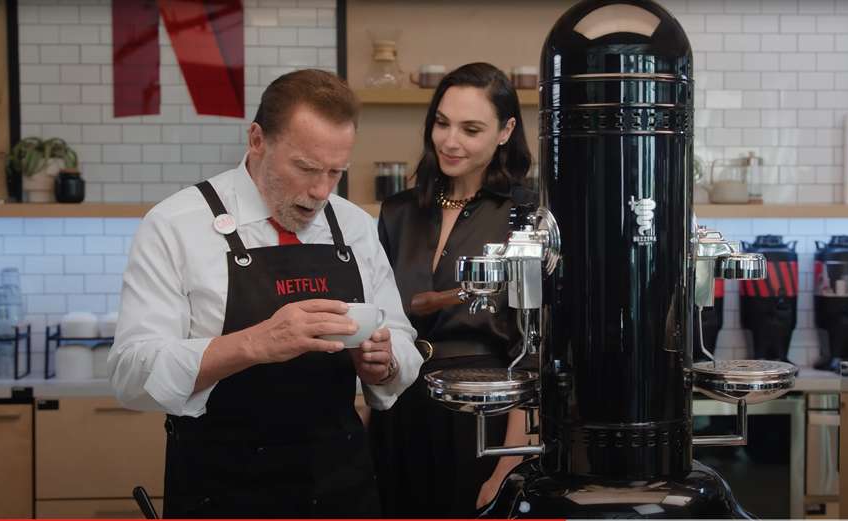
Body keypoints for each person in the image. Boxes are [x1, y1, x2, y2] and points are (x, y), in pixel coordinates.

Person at [108, 69, 422, 519]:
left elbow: (400, 338)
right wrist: (256, 343)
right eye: (306, 168)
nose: (320, 191)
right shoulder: (176, 225)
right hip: (223, 490)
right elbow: (131, 374)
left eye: (336, 172)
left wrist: (385, 363)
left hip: (342, 486)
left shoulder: (353, 226)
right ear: (257, 140)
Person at [369, 62, 536, 517]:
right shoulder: (399, 212)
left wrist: (511, 462)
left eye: (471, 128)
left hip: (482, 413)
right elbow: (372, 320)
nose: (450, 140)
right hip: (398, 405)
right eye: (441, 123)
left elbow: (534, 347)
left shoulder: (527, 217)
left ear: (505, 131)